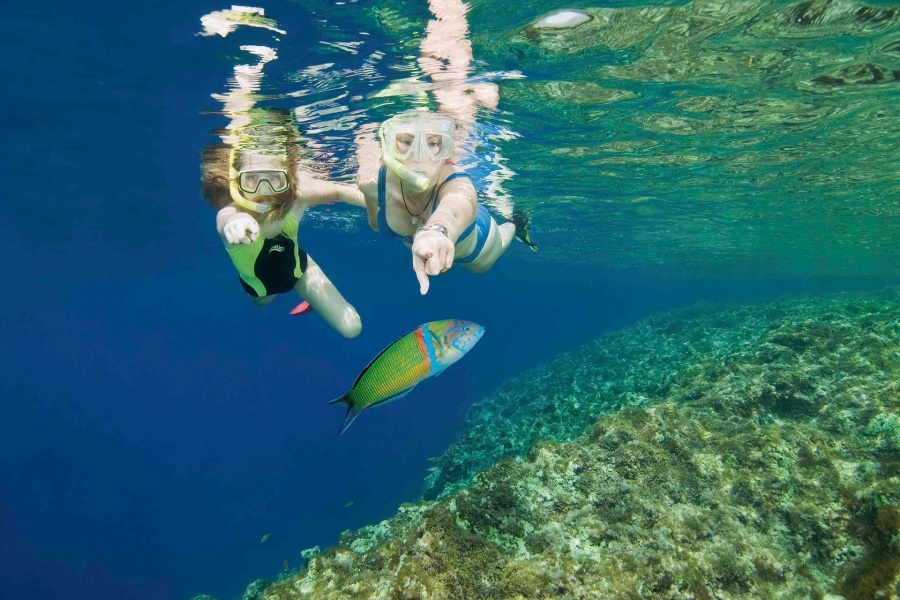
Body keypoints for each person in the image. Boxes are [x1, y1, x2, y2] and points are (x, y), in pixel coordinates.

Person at [201, 110, 365, 339]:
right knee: (261, 303)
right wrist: (235, 223)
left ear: (287, 178)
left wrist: (379, 203)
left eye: (274, 179)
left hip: (300, 269)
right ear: (237, 181)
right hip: (259, 287)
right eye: (252, 179)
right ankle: (276, 304)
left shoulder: (296, 199)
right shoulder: (233, 213)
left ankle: (310, 296)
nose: (264, 191)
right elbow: (226, 219)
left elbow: (340, 190)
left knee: (352, 328)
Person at [356, 109, 533, 296]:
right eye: (407, 142)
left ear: (446, 152)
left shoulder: (459, 187)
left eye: (432, 144)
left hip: (478, 246)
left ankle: (516, 224)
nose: (419, 156)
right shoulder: (372, 183)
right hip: (432, 248)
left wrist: (436, 232)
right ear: (389, 147)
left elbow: (454, 210)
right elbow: (375, 223)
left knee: (480, 266)